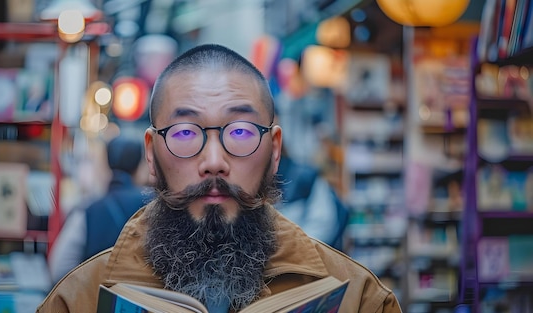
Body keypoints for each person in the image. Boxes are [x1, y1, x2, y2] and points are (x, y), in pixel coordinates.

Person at [37, 44, 401, 313]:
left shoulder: (358, 299)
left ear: (274, 150)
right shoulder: (78, 299)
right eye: (185, 133)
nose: (214, 163)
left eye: (240, 132)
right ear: (151, 153)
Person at [47, 135, 150, 282]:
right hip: (142, 301)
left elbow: (59, 269)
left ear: (107, 163)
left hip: (97, 300)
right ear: (140, 165)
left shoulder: (89, 209)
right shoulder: (153, 206)